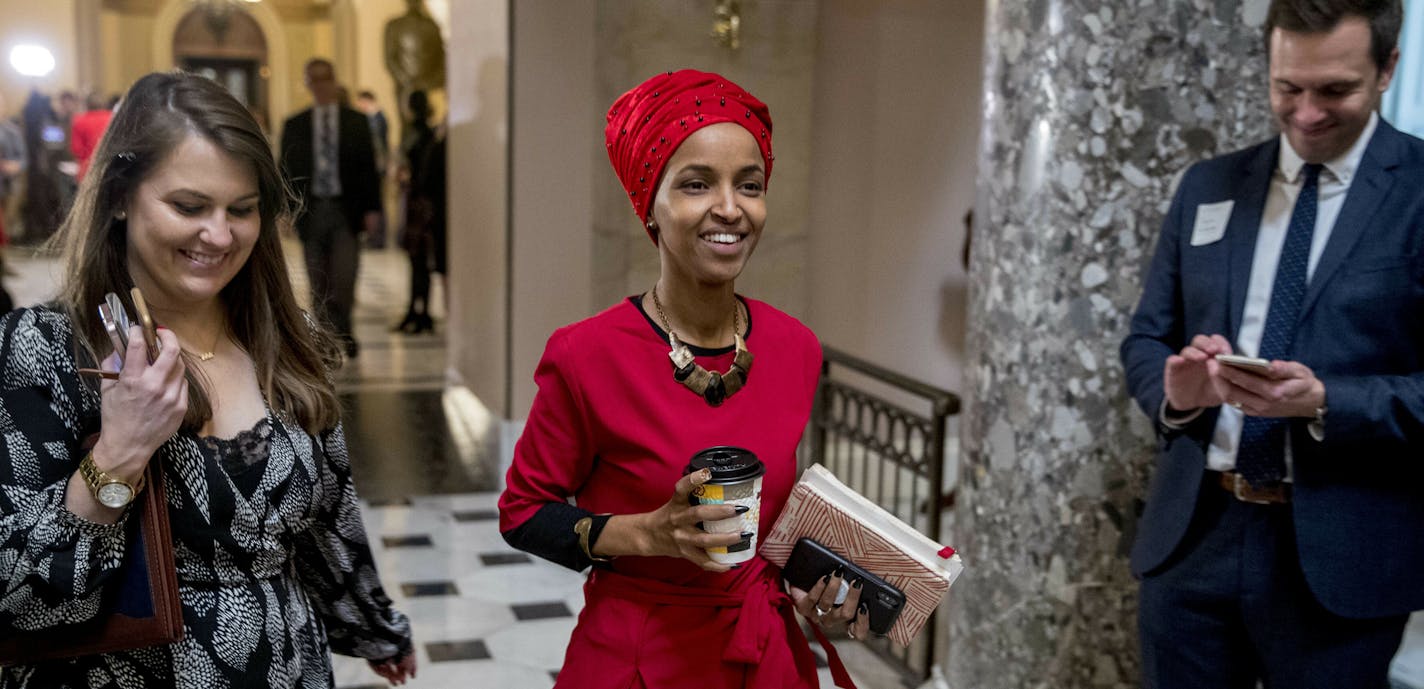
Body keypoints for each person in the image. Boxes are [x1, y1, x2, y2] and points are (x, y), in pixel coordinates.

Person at [0, 71, 416, 687]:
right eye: (189, 207)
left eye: (242, 210)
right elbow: (22, 599)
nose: (219, 236)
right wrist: (120, 454)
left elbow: (330, 510)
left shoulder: (286, 334)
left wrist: (372, 624)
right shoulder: (44, 348)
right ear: (119, 195)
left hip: (288, 667)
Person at [499, 70, 871, 689]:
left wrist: (812, 588)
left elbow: (770, 515)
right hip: (639, 656)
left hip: (764, 652)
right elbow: (522, 512)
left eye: (748, 186)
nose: (730, 208)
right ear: (652, 206)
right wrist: (648, 533)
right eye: (697, 184)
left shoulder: (795, 348)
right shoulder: (586, 354)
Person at [1120, 1, 1423, 686]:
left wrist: (1326, 401)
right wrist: (1174, 394)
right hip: (1194, 536)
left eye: (1334, 90)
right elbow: (1146, 336)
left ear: (1387, 70)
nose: (1308, 112)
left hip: (1343, 556)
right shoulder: (1209, 186)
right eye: (1288, 88)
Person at [279, 58, 382, 359]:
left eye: (326, 78)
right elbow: (284, 171)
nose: (321, 85)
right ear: (308, 84)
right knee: (316, 275)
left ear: (334, 81)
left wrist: (373, 209)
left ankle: (345, 328)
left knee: (345, 274)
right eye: (315, 79)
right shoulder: (296, 125)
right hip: (311, 211)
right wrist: (285, 211)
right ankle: (322, 335)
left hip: (345, 209)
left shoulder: (355, 122)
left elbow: (368, 169)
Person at [393, 90, 441, 334]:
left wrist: (405, 177)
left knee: (418, 259)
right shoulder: (428, 132)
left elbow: (415, 169)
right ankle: (417, 309)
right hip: (420, 202)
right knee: (419, 260)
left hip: (417, 202)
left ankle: (419, 311)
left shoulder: (415, 132)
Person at [383, 0, 445, 146]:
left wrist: (428, 83)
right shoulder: (394, 26)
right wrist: (408, 83)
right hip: (406, 87)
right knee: (408, 131)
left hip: (429, 86)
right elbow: (390, 59)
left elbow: (440, 58)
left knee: (431, 133)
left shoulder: (431, 26)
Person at [356, 90, 391, 249]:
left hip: (378, 165)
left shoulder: (377, 119)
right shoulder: (377, 118)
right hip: (378, 164)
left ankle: (378, 237)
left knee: (378, 202)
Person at [70, 91, 114, 182]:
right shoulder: (114, 118)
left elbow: (77, 150)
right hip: (111, 168)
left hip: (87, 171)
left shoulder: (79, 121)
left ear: (87, 104)